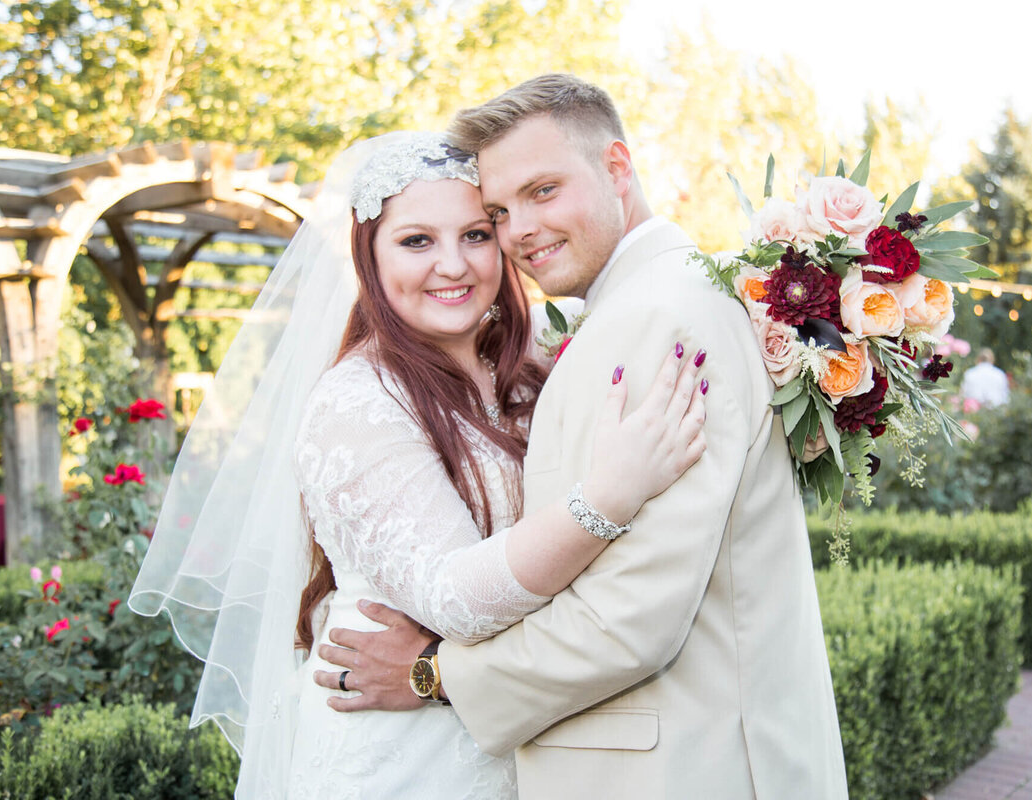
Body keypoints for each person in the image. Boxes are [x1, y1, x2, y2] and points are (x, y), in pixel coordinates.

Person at [129, 131, 709, 798]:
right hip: (401, 759)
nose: (454, 265)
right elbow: (455, 598)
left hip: (523, 738)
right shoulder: (356, 403)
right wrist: (609, 495)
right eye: (416, 241)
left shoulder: (534, 369)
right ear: (368, 256)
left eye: (475, 234)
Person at [318, 75, 848, 799]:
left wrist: (434, 673)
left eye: (543, 191)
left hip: (680, 762)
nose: (518, 233)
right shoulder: (643, 306)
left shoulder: (658, 317)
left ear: (618, 169)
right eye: (501, 211)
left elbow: (630, 616)